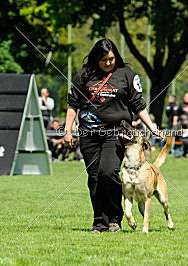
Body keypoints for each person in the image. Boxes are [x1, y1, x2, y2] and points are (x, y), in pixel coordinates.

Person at [64, 38, 163, 233]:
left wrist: (151, 127)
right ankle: (99, 222)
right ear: (95, 58)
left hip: (116, 133)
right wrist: (67, 129)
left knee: (107, 172)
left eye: (111, 59)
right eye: (103, 60)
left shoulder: (126, 75)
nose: (108, 63)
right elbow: (73, 105)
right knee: (94, 177)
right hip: (89, 133)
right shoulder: (83, 75)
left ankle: (115, 218)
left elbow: (138, 105)